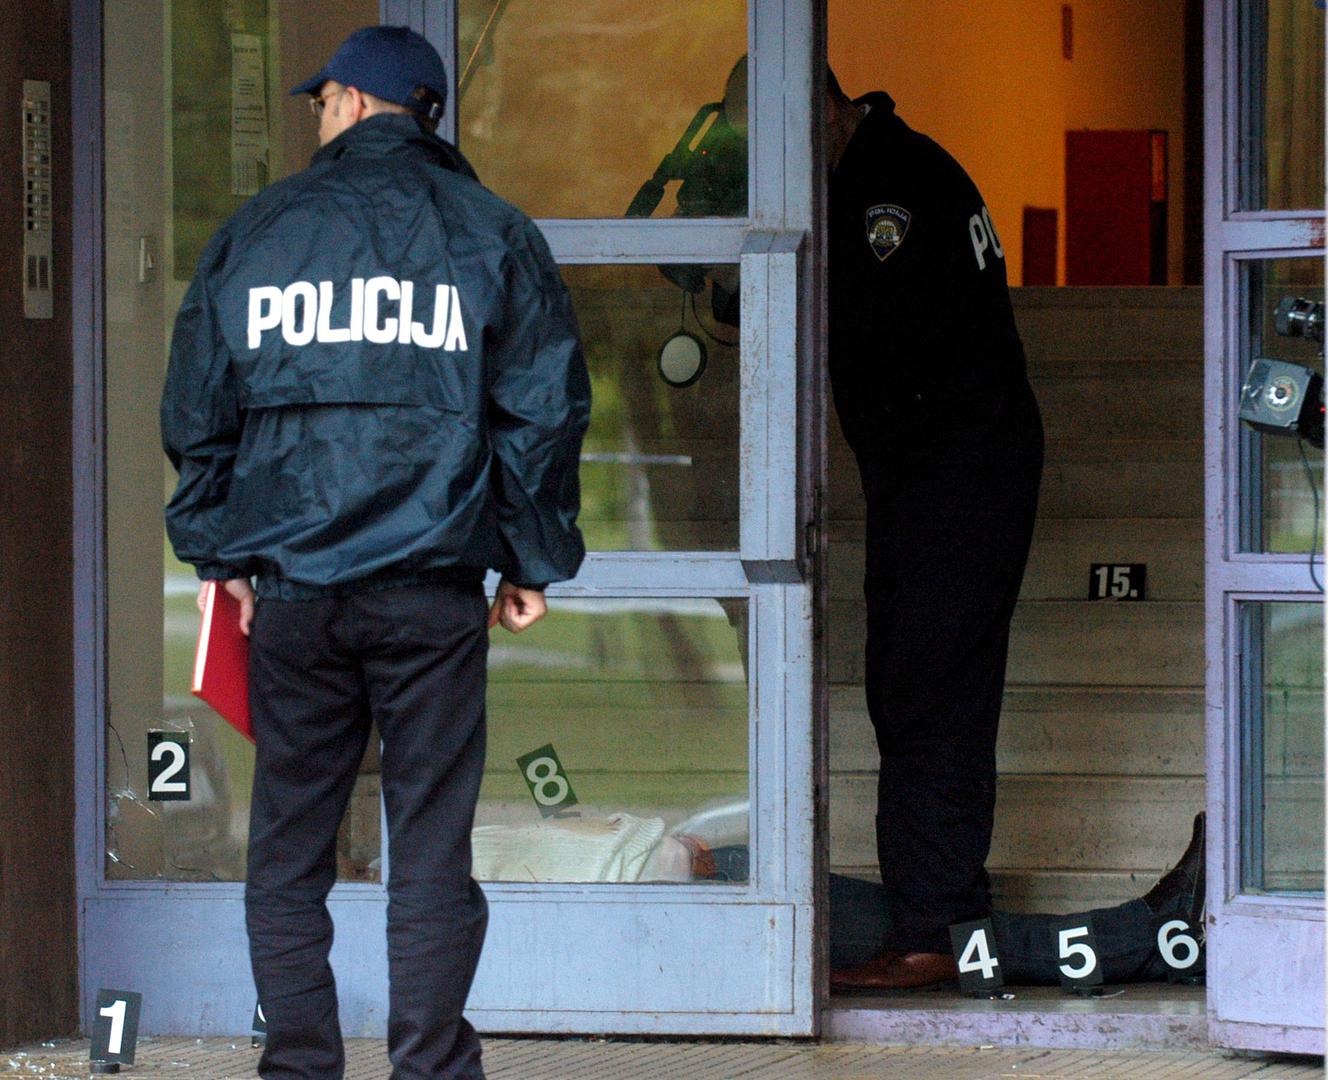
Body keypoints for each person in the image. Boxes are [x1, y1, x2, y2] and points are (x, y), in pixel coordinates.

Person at [161, 25, 589, 1079]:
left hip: (295, 594)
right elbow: (541, 411)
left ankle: (299, 1066)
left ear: (353, 101)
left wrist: (219, 555)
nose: (318, 116)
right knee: (430, 849)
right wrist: (527, 558)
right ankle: (431, 1066)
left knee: (289, 850)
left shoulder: (259, 231)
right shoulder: (492, 234)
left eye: (322, 101)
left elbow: (200, 409)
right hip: (429, 592)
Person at [823, 69, 1046, 990]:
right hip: (951, 471)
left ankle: (931, 930)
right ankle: (947, 911)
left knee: (926, 693)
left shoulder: (890, 189)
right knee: (929, 688)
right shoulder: (898, 167)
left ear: (818, 108)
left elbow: (875, 326)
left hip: (952, 474)